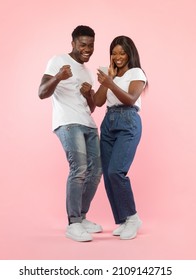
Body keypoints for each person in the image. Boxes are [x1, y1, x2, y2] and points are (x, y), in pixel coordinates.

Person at [38, 25, 103, 242]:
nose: (87, 49)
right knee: (80, 169)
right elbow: (41, 93)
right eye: (83, 44)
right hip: (67, 122)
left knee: (96, 172)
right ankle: (73, 223)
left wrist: (88, 94)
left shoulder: (86, 71)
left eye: (91, 45)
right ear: (73, 43)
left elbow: (92, 107)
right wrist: (58, 76)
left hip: (88, 124)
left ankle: (82, 217)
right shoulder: (58, 60)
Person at [94, 35, 147, 240]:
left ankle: (133, 218)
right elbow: (98, 102)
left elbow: (131, 98)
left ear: (129, 54)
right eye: (114, 53)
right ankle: (124, 220)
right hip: (108, 122)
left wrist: (111, 82)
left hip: (128, 121)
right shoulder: (112, 75)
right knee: (107, 175)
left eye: (122, 52)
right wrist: (108, 80)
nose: (117, 57)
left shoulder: (137, 72)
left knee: (117, 171)